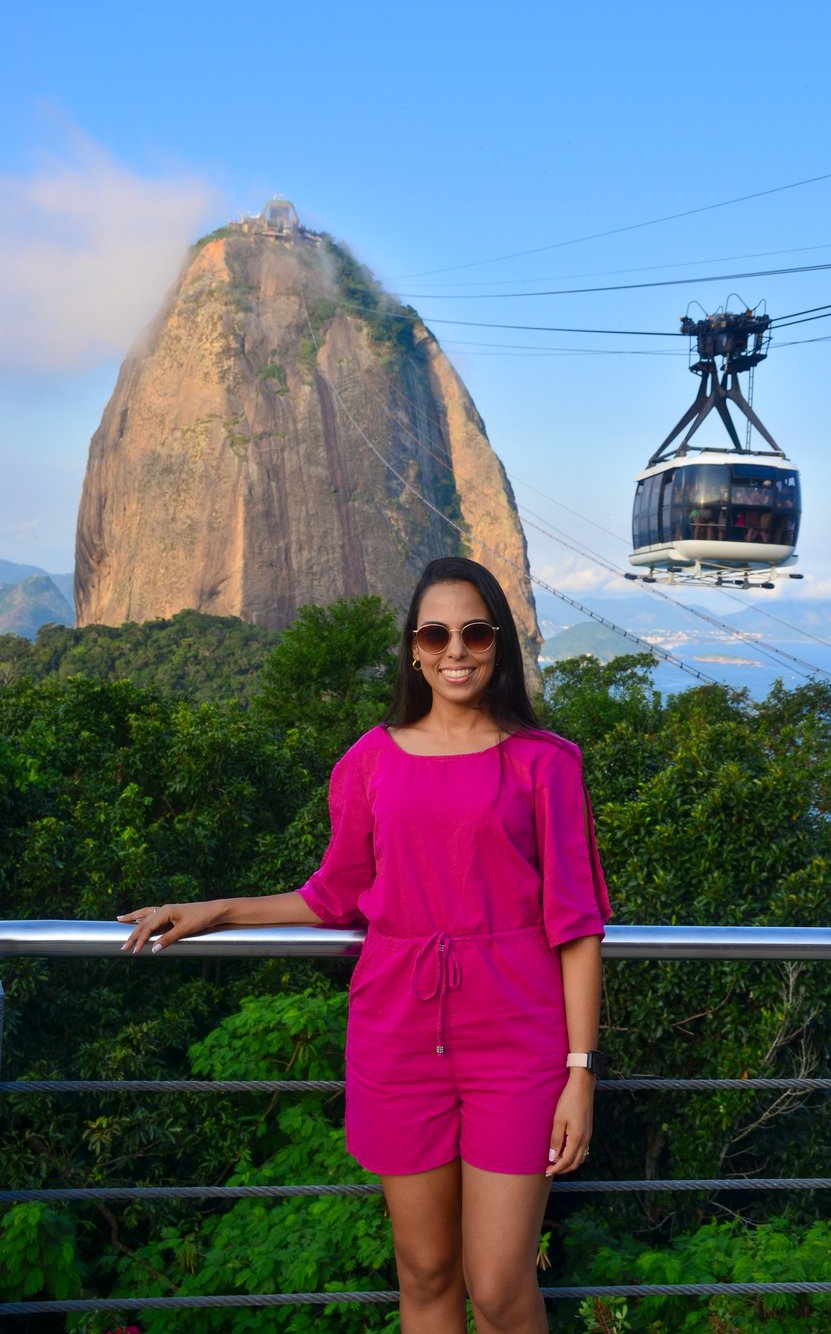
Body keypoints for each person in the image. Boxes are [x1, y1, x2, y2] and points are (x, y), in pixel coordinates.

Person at [119, 556, 611, 1334]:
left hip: (518, 1040)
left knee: (500, 1285)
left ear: (498, 644)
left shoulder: (546, 762)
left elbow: (576, 926)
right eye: (437, 633)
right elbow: (332, 893)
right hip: (397, 1036)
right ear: (414, 648)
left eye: (475, 632)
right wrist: (217, 909)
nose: (457, 650)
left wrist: (580, 1074)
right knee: (423, 1271)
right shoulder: (371, 760)